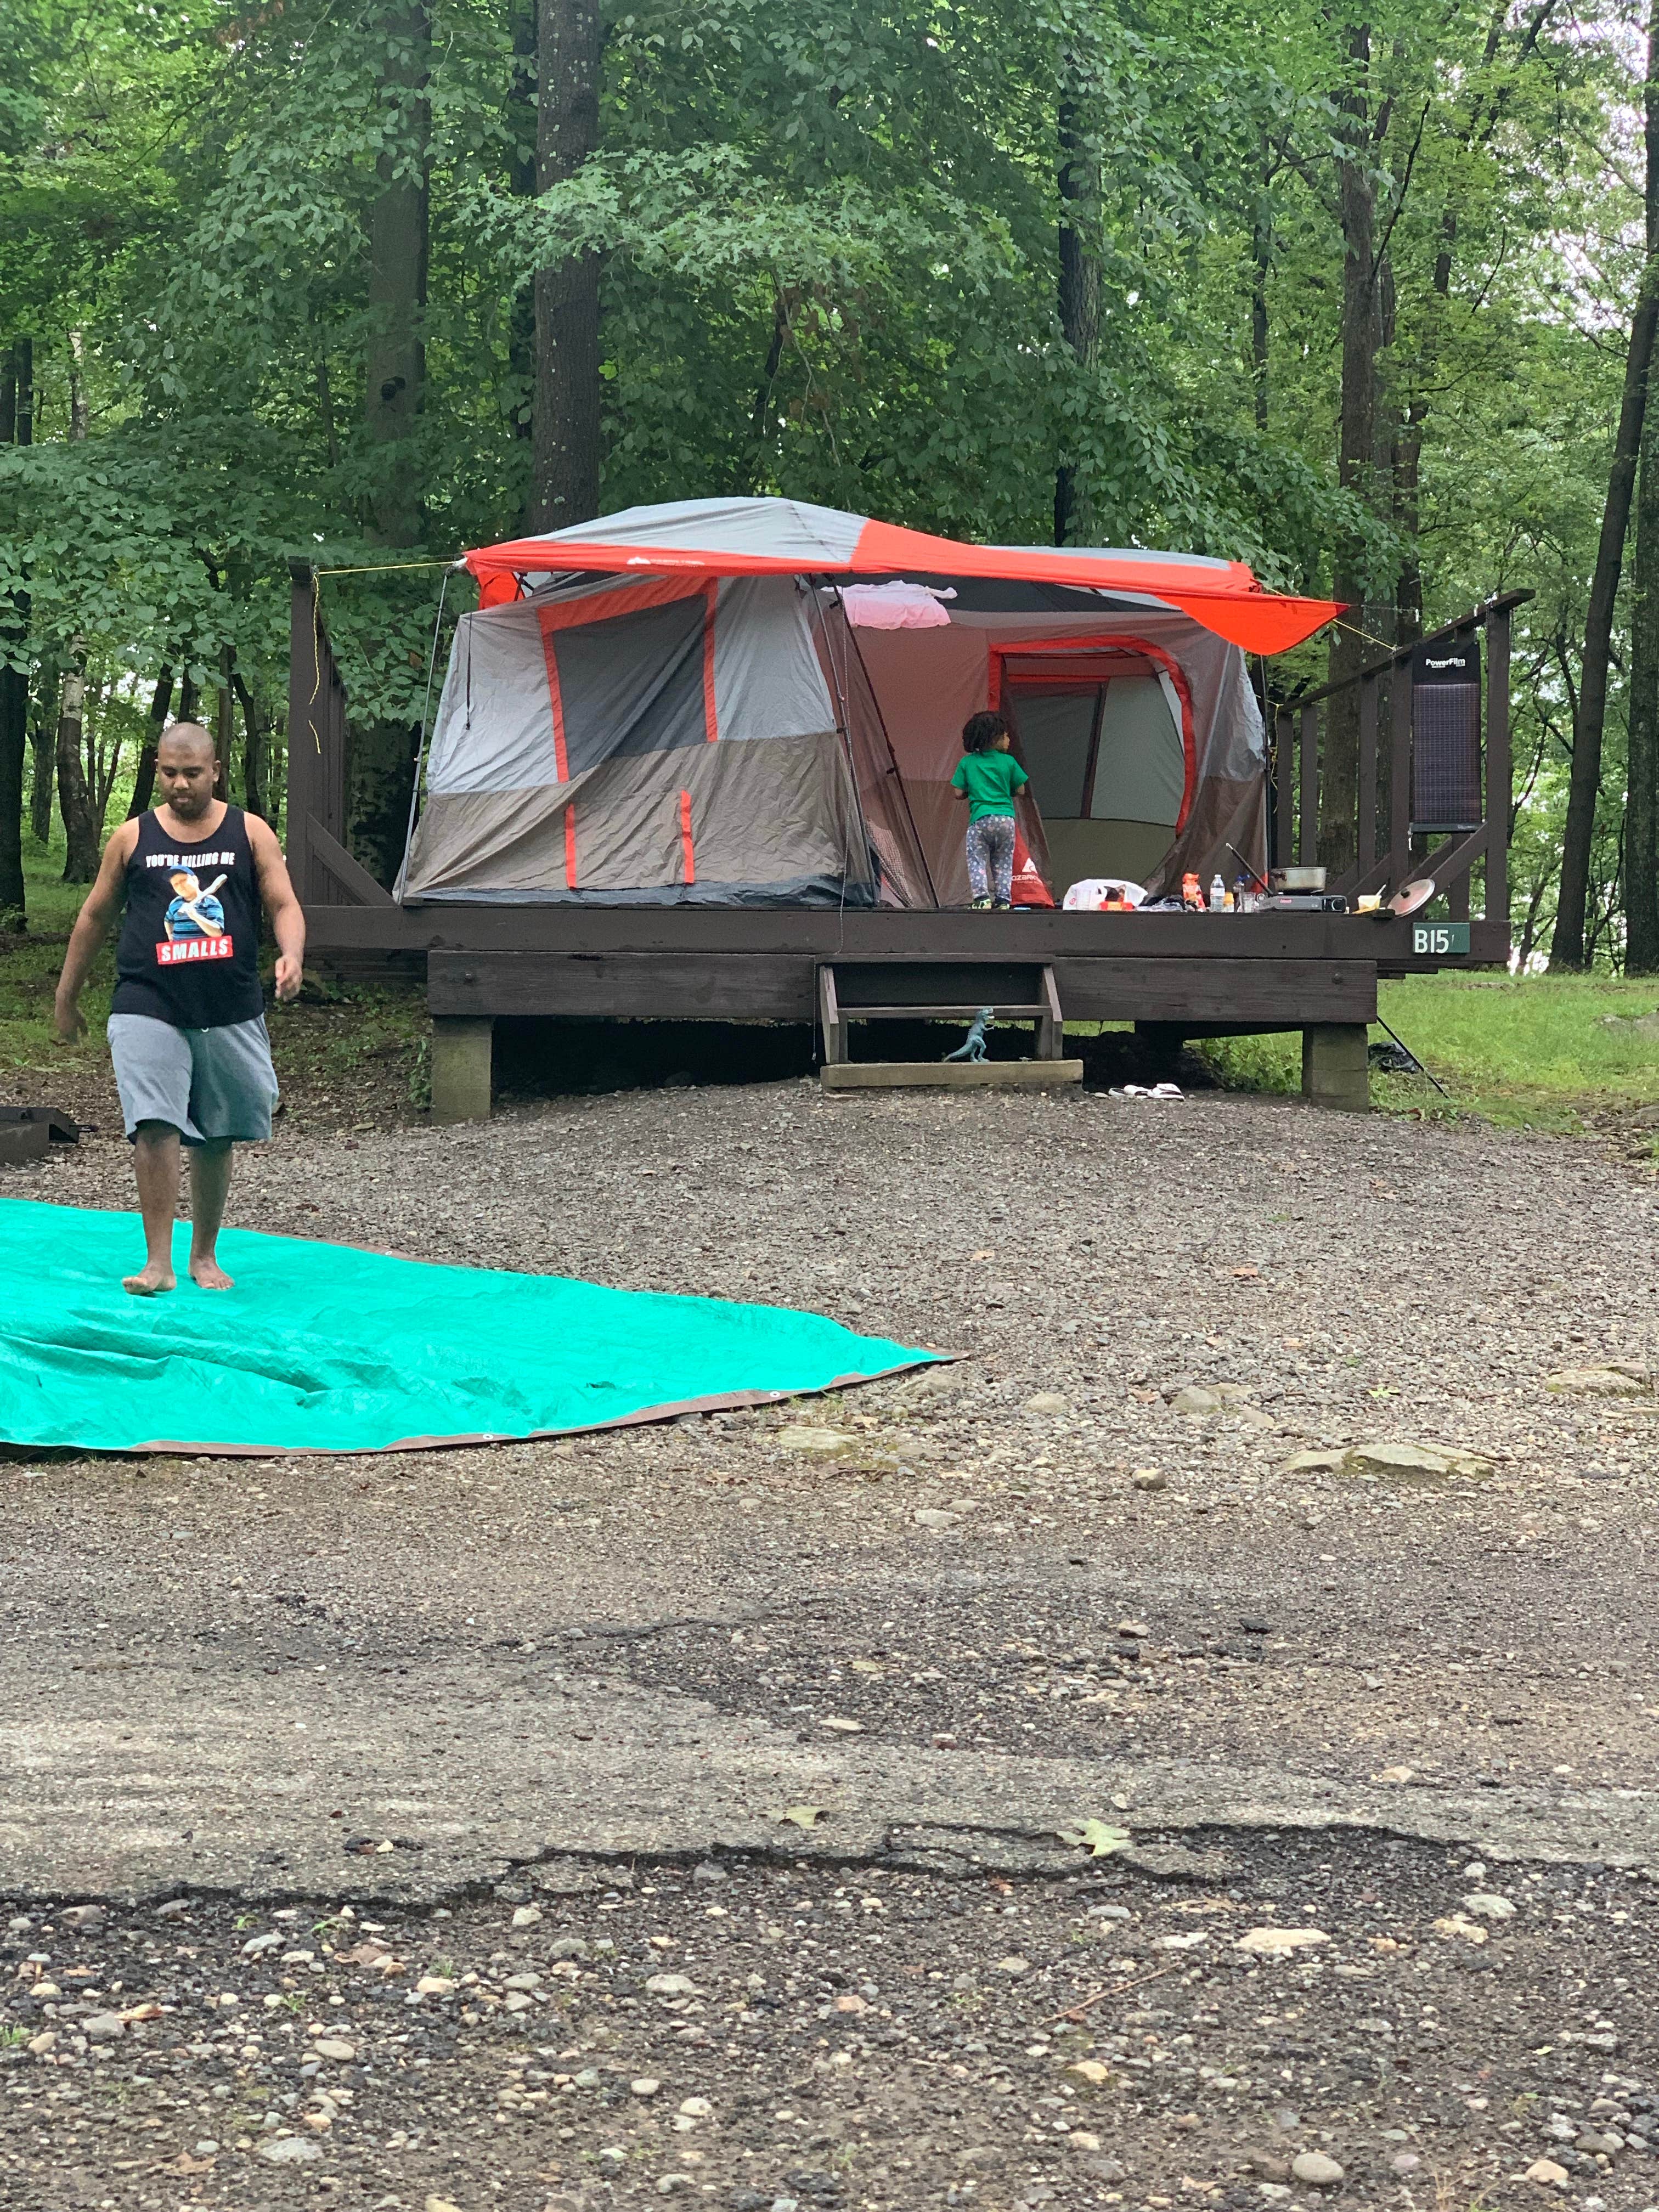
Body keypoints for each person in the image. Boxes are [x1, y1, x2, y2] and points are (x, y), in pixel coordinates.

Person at [54, 720, 306, 1296]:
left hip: (230, 1005)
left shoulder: (251, 833)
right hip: (148, 1001)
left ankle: (205, 1255)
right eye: (169, 772)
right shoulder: (133, 839)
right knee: (157, 1125)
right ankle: (158, 1264)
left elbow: (284, 902)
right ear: (158, 770)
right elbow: (94, 917)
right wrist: (67, 998)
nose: (179, 784)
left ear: (215, 771)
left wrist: (291, 954)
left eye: (192, 773)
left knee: (216, 1133)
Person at [950, 709, 1029, 909]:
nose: (1009, 739)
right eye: (1005, 735)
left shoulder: (967, 763)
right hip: (1006, 820)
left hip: (980, 819)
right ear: (995, 738)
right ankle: (1003, 901)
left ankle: (982, 899)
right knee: (1003, 860)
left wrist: (973, 792)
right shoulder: (1009, 762)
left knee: (977, 860)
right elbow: (1020, 790)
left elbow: (958, 793)